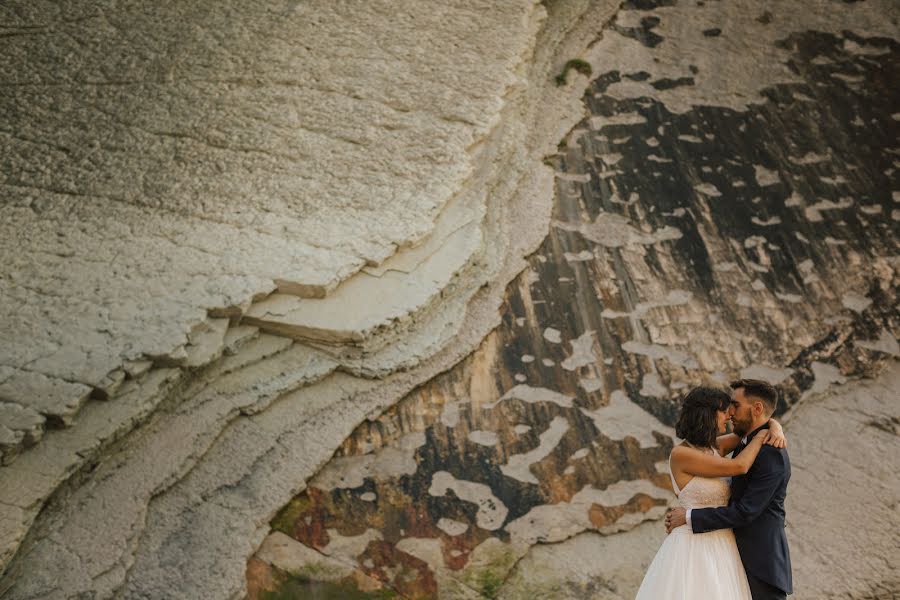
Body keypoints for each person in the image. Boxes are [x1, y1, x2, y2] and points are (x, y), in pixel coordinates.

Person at [634, 385, 787, 600]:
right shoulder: (682, 454)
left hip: (724, 545)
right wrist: (763, 435)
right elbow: (739, 466)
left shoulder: (715, 447)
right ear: (708, 413)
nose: (729, 415)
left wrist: (775, 427)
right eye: (725, 410)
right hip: (693, 545)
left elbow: (752, 427)